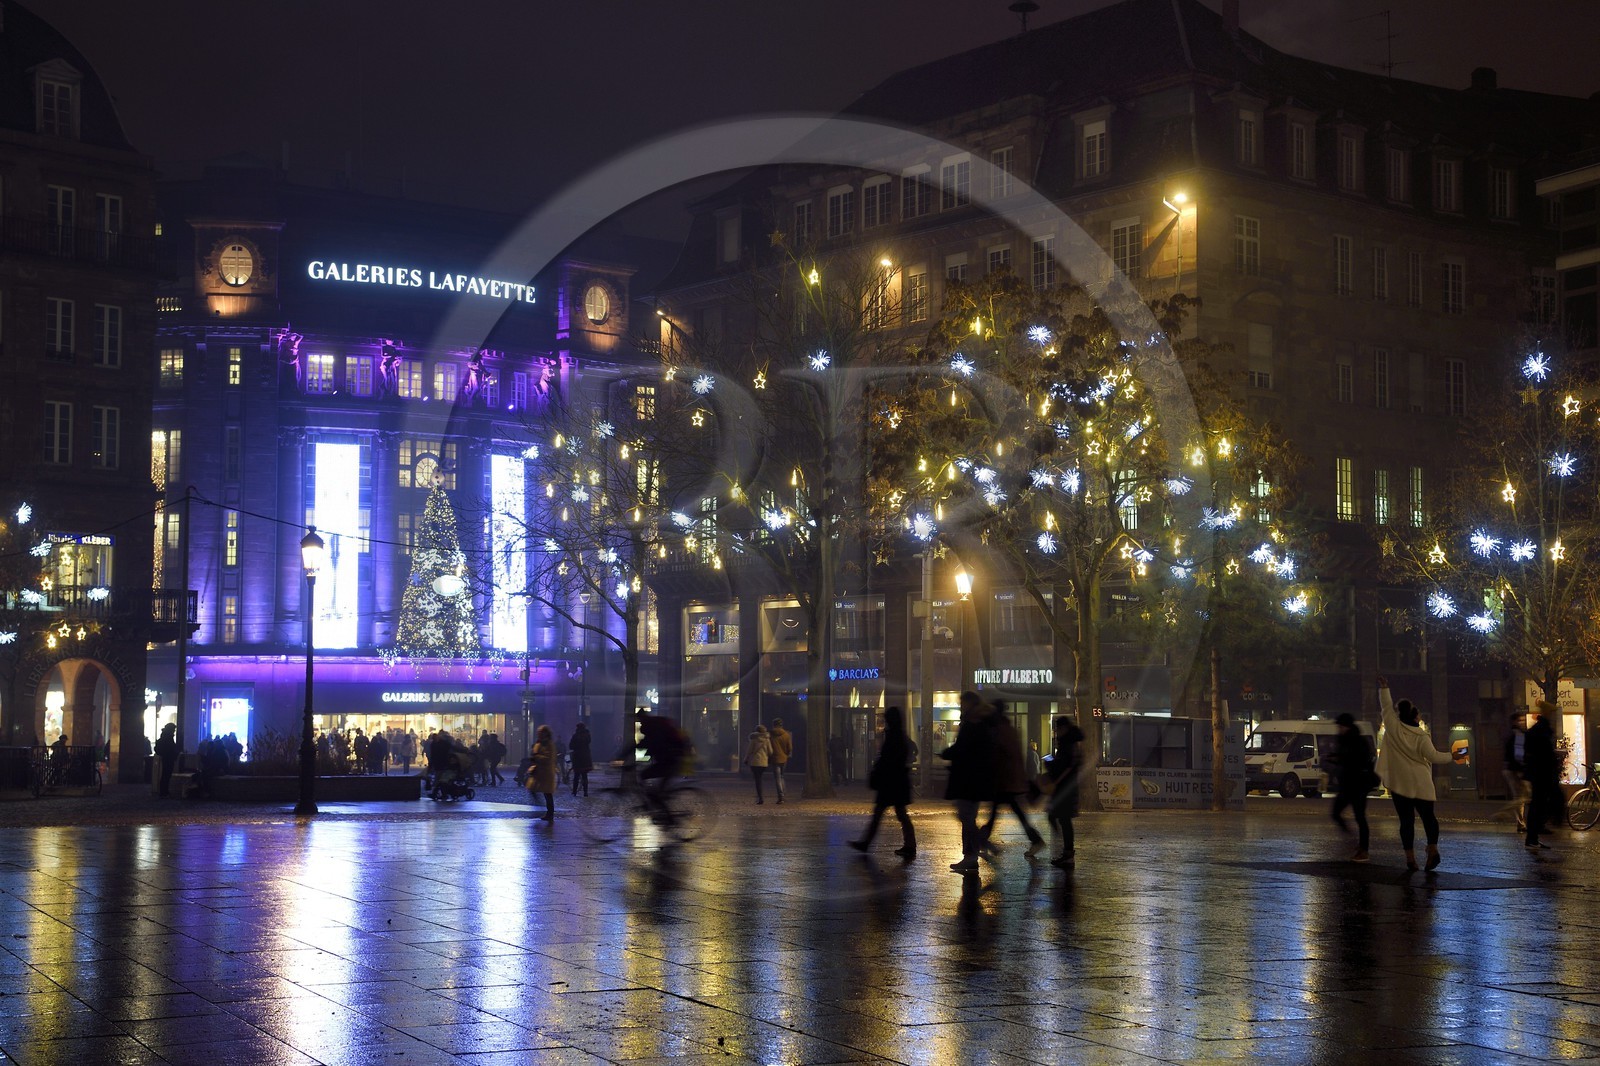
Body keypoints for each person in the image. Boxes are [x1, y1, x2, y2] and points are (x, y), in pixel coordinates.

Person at [1376, 677, 1455, 870]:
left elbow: (1386, 707)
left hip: (1400, 785)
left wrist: (1384, 687)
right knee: (1429, 818)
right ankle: (1432, 849)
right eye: (1419, 715)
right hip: (1422, 784)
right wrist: (1452, 756)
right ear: (1415, 717)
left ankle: (1410, 858)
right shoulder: (1422, 737)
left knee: (1406, 822)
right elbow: (1434, 757)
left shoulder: (1393, 729)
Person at [941, 692, 1000, 873]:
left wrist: (947, 754)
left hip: (967, 779)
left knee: (965, 816)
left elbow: (963, 749)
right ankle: (971, 856)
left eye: (962, 702)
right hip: (975, 779)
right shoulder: (983, 724)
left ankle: (976, 848)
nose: (961, 705)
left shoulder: (973, 724)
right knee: (967, 816)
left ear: (968, 704)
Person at [978, 700, 1046, 856]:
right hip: (1009, 781)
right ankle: (1035, 840)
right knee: (1014, 813)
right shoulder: (1008, 729)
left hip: (1004, 781)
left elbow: (1002, 757)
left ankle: (983, 840)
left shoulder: (1000, 731)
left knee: (998, 813)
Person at [849, 706, 915, 858]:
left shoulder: (893, 736)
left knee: (881, 813)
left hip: (890, 783)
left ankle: (866, 843)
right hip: (897, 783)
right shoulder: (899, 736)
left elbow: (889, 760)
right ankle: (909, 844)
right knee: (899, 814)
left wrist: (879, 771)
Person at [1329, 712, 1374, 862]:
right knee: (1337, 813)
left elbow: (1357, 761)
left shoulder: (1357, 741)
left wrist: (1339, 759)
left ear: (1347, 726)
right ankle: (1354, 841)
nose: (1339, 729)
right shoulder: (1344, 740)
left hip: (1358, 785)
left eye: (1341, 726)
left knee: (1360, 817)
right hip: (1347, 785)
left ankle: (1363, 849)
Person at [1041, 714, 1085, 868]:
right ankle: (1066, 852)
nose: (1056, 731)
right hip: (1067, 788)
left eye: (1058, 728)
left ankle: (1066, 853)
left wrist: (1049, 763)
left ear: (1064, 728)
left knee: (1060, 819)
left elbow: (1064, 766)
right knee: (1061, 819)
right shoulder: (1071, 743)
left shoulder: (1068, 744)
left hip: (1065, 789)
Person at [1523, 701, 1564, 851]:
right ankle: (1534, 834)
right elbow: (1543, 754)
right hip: (1542, 773)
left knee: (1538, 803)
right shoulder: (1542, 730)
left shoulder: (1538, 730)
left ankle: (1535, 834)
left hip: (1539, 773)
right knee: (1539, 804)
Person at [1503, 710, 1530, 824]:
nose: (1523, 722)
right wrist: (1522, 769)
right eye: (1520, 720)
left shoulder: (1510, 733)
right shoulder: (1518, 734)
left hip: (1511, 768)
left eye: (1524, 720)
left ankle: (1520, 822)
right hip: (1517, 770)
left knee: (1519, 796)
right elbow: (1518, 755)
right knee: (1524, 796)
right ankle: (1506, 814)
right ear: (1514, 721)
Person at [526, 725, 557, 821]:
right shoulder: (540, 742)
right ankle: (543, 808)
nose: (538, 734)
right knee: (532, 788)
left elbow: (548, 758)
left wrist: (536, 756)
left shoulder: (549, 744)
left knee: (547, 793)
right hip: (539, 772)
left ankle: (549, 813)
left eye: (540, 732)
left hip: (546, 772)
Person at [743, 725, 773, 804]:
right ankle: (760, 796)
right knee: (760, 778)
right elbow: (770, 752)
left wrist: (746, 759)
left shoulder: (754, 739)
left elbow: (749, 751)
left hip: (755, 762)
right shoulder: (767, 740)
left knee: (757, 780)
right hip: (764, 762)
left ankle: (760, 797)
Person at [768, 718, 793, 805]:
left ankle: (780, 796)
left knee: (777, 778)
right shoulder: (786, 735)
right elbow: (790, 748)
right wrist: (786, 754)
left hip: (775, 758)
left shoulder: (770, 735)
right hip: (784, 758)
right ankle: (783, 794)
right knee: (782, 776)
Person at [154, 723, 179, 798]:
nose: (174, 731)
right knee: (166, 775)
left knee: (166, 774)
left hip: (166, 757)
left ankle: (164, 791)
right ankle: (164, 791)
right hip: (168, 757)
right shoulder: (168, 737)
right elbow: (170, 747)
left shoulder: (165, 735)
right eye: (174, 729)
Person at [569, 722, 594, 797]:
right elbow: (589, 741)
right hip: (585, 758)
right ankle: (585, 792)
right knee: (584, 776)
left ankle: (574, 791)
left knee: (576, 776)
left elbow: (571, 746)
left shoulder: (575, 735)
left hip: (577, 758)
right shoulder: (587, 735)